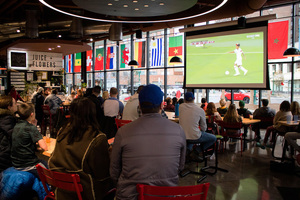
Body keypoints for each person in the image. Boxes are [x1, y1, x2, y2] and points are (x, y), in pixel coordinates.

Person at [110, 84, 186, 200]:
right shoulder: (178, 131)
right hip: (166, 195)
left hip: (130, 196)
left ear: (139, 105)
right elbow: (180, 167)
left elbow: (114, 172)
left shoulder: (122, 132)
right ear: (161, 105)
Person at [49, 97, 113, 200]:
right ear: (93, 114)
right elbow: (102, 174)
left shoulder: (63, 131)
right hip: (86, 193)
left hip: (61, 192)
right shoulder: (97, 138)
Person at [11, 103, 48, 178]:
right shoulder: (30, 128)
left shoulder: (16, 125)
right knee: (46, 164)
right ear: (32, 114)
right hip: (28, 164)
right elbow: (44, 147)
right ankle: (50, 187)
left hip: (16, 163)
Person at [0, 96, 17, 173]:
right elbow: (15, 136)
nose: (17, 105)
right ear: (9, 107)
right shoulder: (7, 119)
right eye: (15, 103)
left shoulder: (3, 117)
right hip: (5, 158)